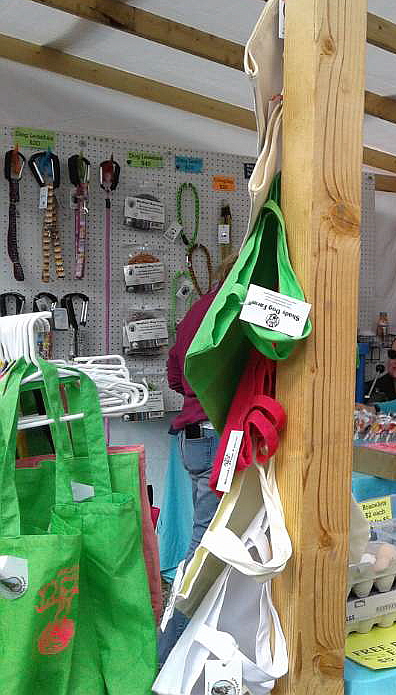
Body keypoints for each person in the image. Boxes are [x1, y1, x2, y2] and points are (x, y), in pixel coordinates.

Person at [158, 256, 235, 663]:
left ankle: (186, 646)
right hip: (217, 433)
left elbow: (175, 375)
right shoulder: (231, 313)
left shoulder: (197, 310)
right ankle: (170, 652)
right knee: (205, 547)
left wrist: (195, 394)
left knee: (204, 540)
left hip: (195, 436)